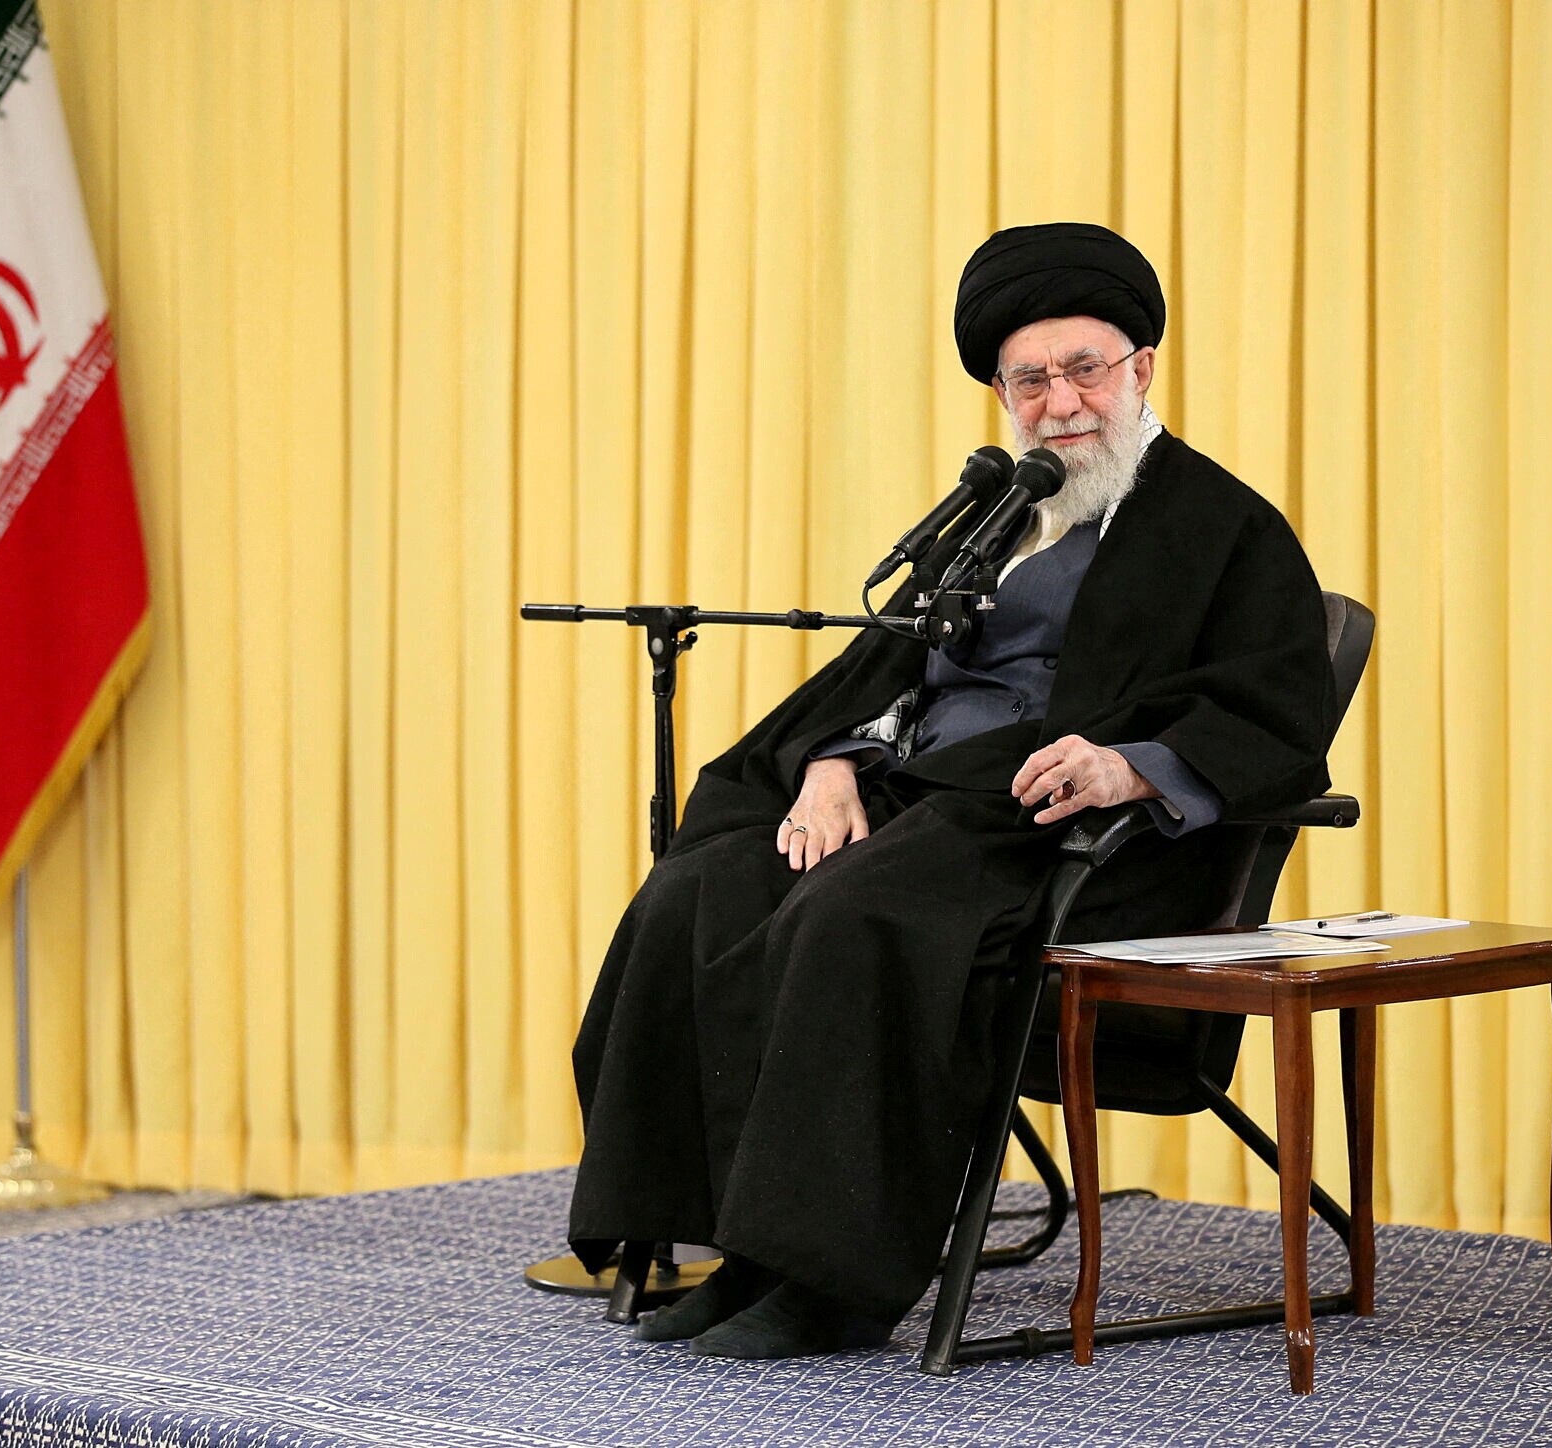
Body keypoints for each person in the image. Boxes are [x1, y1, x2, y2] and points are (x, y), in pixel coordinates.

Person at [566, 222, 1335, 1360]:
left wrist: (1128, 764)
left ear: (1142, 369)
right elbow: (880, 668)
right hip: (914, 793)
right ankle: (731, 1241)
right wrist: (829, 765)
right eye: (1031, 379)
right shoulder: (992, 517)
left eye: (1085, 368)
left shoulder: (1219, 525)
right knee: (713, 882)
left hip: (1056, 836)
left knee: (851, 910)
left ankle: (830, 1278)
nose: (1062, 401)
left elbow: (1276, 706)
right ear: (1001, 394)